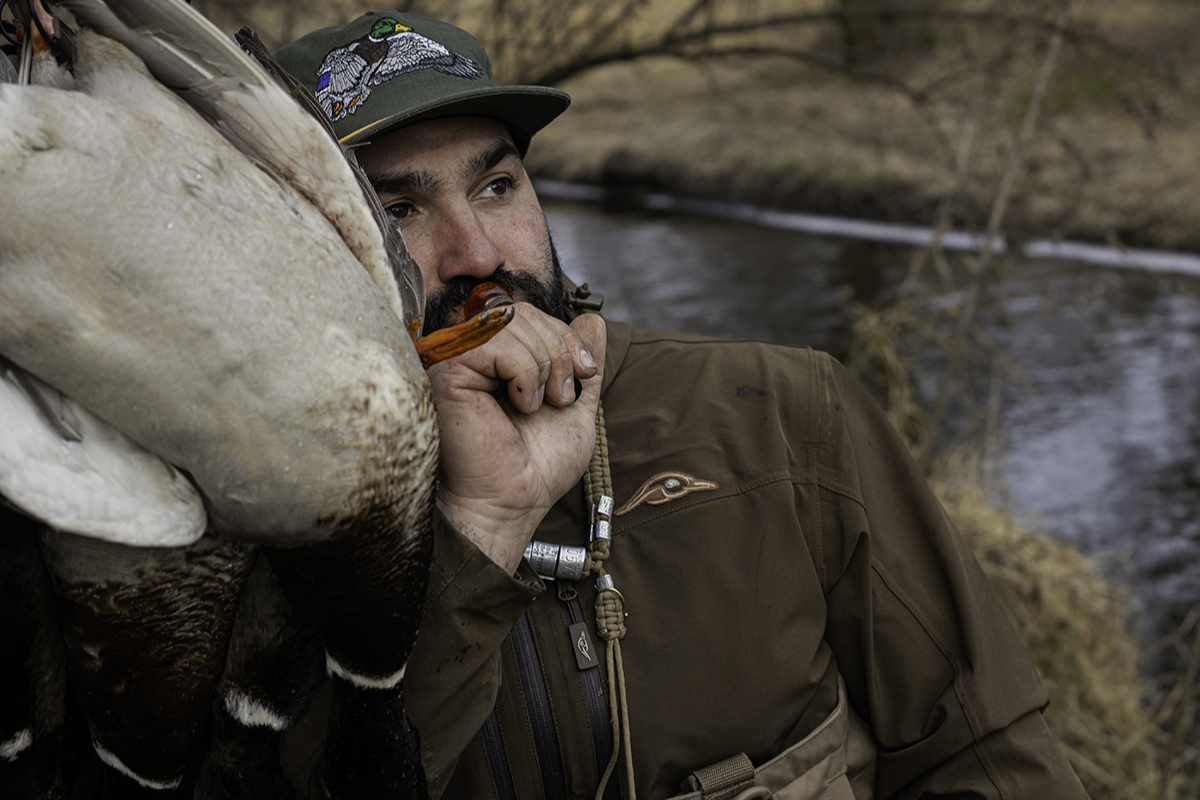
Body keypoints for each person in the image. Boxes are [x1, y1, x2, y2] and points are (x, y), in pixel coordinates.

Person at [275, 12, 1089, 799]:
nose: (479, 254)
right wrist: (483, 527)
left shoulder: (785, 414)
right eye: (397, 211)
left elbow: (990, 759)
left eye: (495, 186)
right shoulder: (270, 522)